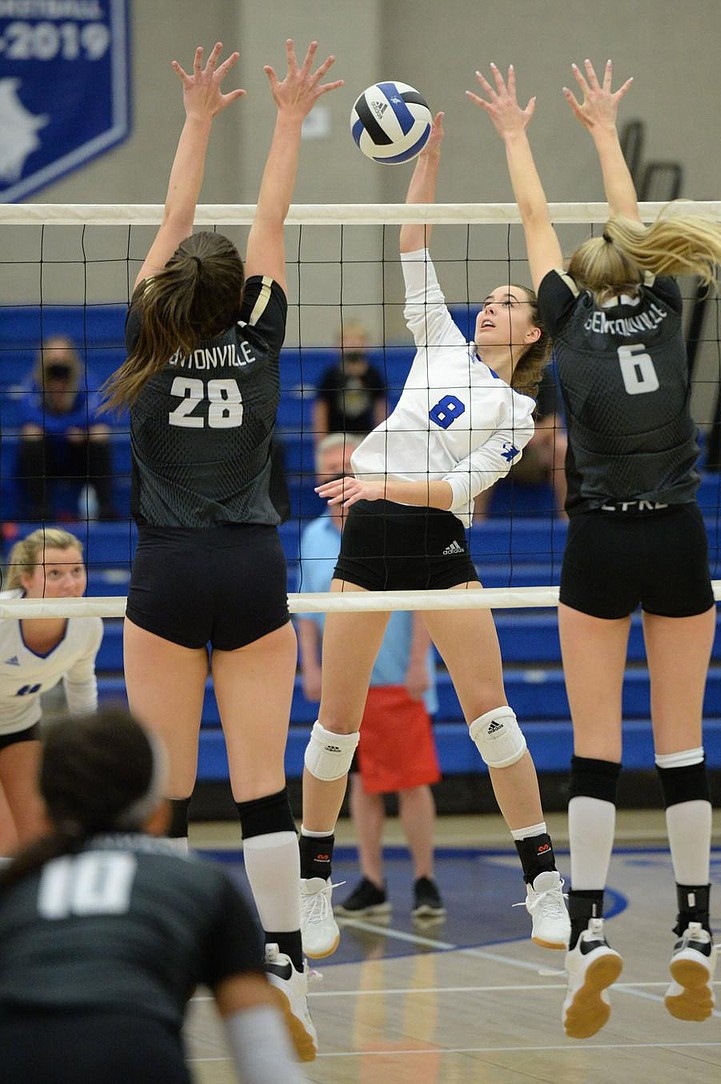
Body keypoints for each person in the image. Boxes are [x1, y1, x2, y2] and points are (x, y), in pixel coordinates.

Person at [470, 57, 721, 1037]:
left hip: (595, 543)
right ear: (638, 272)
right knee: (681, 746)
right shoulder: (665, 311)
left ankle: (588, 929)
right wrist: (603, 127)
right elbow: (627, 221)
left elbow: (532, 222)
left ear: (574, 289)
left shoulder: (565, 325)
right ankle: (691, 925)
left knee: (595, 752)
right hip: (676, 539)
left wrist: (514, 131)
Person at [101, 40, 342, 1058]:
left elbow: (173, 223)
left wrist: (196, 117)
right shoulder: (261, 331)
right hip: (251, 567)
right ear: (234, 290)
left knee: (162, 790)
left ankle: (153, 958)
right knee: (262, 787)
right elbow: (271, 220)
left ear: (171, 292)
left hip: (165, 570)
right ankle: (282, 956)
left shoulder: (147, 338)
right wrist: (285, 120)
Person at [297, 111, 569, 961]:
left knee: (494, 719)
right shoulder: (439, 339)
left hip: (439, 545)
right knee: (335, 730)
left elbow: (456, 490)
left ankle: (545, 885)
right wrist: (430, 158)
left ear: (534, 335)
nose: (492, 305)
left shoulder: (521, 413)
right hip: (368, 540)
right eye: (490, 297)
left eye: (510, 302)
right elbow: (412, 241)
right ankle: (313, 891)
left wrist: (378, 479)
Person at [0, 705, 307, 1083]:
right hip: (137, 1056)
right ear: (159, 812)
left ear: (44, 813)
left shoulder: (14, 885)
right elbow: (267, 1067)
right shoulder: (204, 885)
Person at [296, 432, 444, 921]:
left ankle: (425, 880)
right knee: (360, 782)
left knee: (412, 782)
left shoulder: (394, 516)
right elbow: (309, 612)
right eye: (330, 467)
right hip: (347, 682)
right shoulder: (314, 534)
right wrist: (311, 668)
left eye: (347, 464)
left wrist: (419, 663)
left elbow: (427, 599)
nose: (339, 474)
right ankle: (373, 881)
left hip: (397, 678)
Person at [0, 527, 102, 857]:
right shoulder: (3, 617)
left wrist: (90, 751)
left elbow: (81, 685)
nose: (71, 584)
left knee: (37, 841)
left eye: (76, 570)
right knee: (5, 842)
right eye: (55, 573)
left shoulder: (87, 624)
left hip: (18, 725)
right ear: (26, 579)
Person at [15, 335, 118, 521]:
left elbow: (100, 413)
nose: (57, 364)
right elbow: (26, 415)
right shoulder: (32, 384)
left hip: (78, 456)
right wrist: (65, 431)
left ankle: (106, 509)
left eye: (62, 359)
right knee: (31, 431)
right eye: (52, 359)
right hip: (47, 457)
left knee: (99, 432)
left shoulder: (86, 380)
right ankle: (40, 509)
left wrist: (76, 430)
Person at [473, 363, 568, 521]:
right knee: (476, 446)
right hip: (496, 452)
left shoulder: (541, 373)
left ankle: (567, 525)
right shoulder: (488, 373)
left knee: (561, 446)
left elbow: (555, 422)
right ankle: (475, 529)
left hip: (533, 452)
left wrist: (529, 434)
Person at [311, 321, 388, 443]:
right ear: (338, 345)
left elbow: (381, 408)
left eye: (358, 339)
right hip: (336, 438)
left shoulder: (373, 374)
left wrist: (381, 438)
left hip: (364, 437)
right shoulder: (331, 375)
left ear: (366, 344)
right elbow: (321, 409)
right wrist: (321, 441)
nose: (353, 344)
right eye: (347, 340)